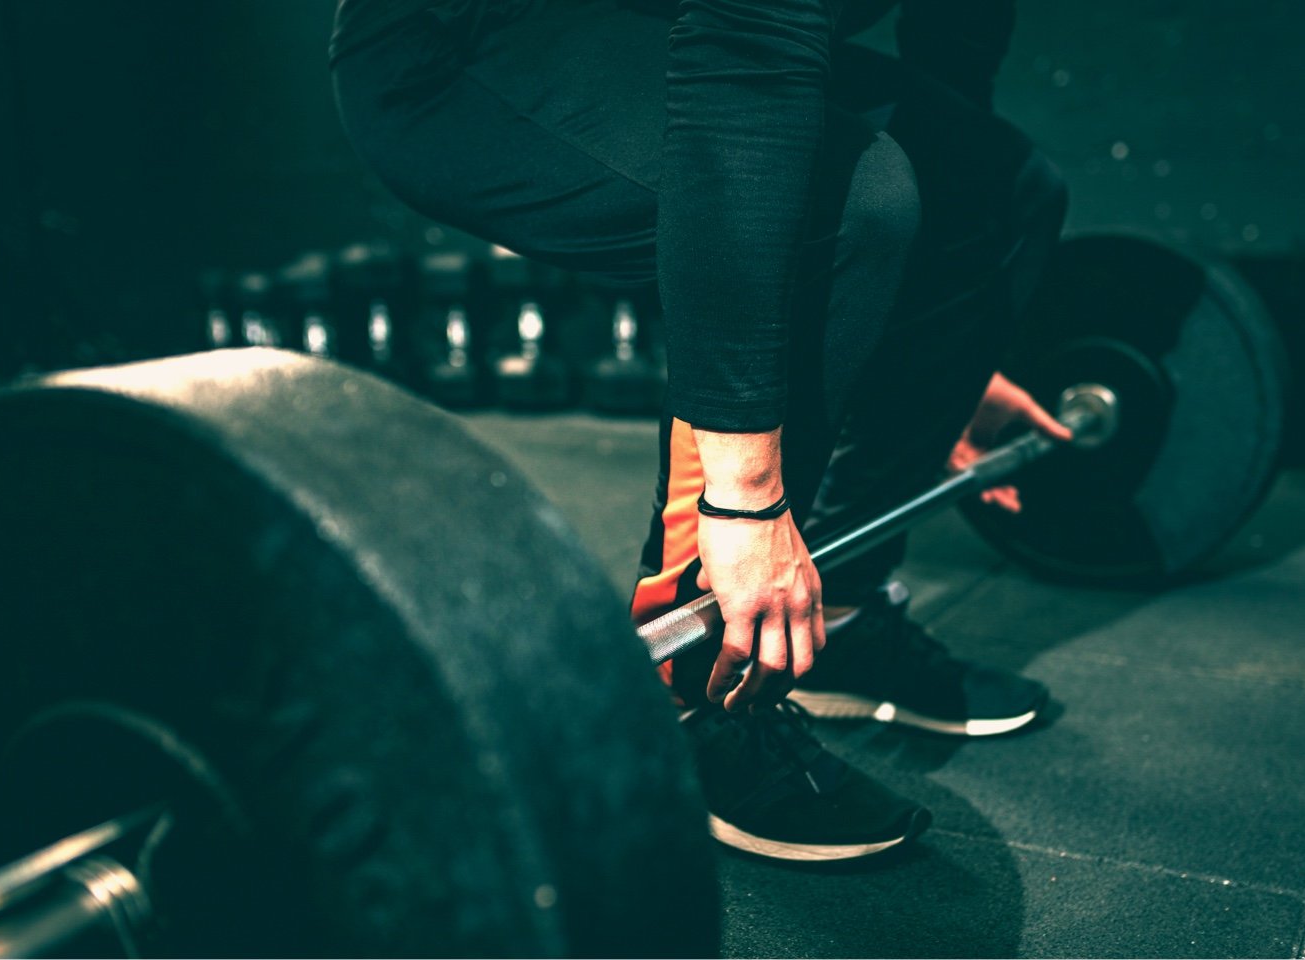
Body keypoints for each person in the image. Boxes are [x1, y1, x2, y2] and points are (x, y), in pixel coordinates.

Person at [330, 0, 1071, 862]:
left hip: (676, 28)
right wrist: (746, 498)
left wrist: (939, 346)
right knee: (847, 201)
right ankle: (697, 688)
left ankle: (844, 605)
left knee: (1003, 187)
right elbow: (747, 77)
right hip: (460, 48)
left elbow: (955, 57)